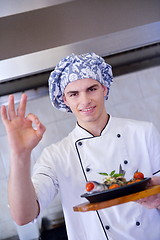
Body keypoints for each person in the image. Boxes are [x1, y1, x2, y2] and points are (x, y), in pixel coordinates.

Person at [1, 52, 160, 240]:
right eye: (74, 94)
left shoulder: (143, 132)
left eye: (91, 89)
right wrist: (20, 154)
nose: (85, 101)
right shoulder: (56, 155)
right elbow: (23, 216)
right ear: (65, 100)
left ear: (104, 88)